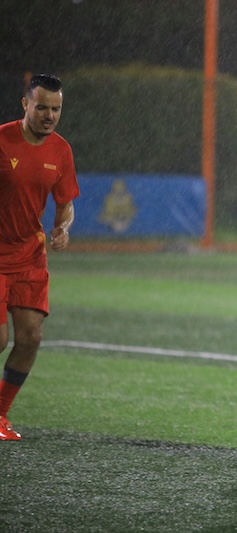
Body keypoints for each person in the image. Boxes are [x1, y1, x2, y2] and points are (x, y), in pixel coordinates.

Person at [0, 73, 80, 441]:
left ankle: (0, 415)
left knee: (30, 337)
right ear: (25, 104)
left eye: (56, 109)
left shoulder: (61, 151)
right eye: (42, 107)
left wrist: (62, 227)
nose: (50, 115)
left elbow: (66, 204)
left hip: (30, 258)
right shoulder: (3, 140)